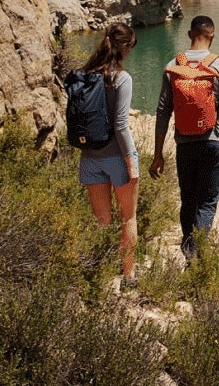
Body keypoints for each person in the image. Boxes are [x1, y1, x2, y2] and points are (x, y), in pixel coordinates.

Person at [149, 15, 219, 257]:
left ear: (190, 35)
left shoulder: (173, 65)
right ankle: (196, 253)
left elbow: (162, 112)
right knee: (207, 201)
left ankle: (188, 248)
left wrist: (158, 154)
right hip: (213, 141)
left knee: (188, 199)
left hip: (184, 143)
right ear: (212, 35)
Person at [77, 22, 139, 287]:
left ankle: (99, 278)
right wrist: (131, 162)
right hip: (116, 157)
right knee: (128, 216)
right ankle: (128, 276)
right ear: (124, 48)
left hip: (89, 157)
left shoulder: (84, 74)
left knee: (101, 220)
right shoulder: (121, 78)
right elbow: (121, 125)